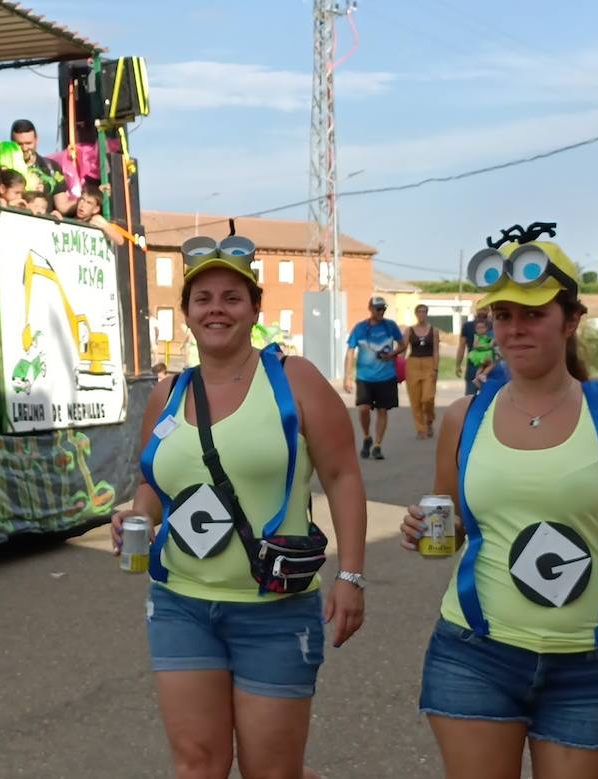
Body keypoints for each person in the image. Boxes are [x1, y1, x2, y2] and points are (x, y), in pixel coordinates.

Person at [399, 226, 598, 779]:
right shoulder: (464, 417)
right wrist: (421, 527)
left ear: (570, 322)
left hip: (593, 666)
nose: (515, 329)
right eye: (502, 316)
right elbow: (447, 529)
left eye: (533, 314)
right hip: (475, 653)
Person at [111, 236, 366, 779]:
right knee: (197, 765)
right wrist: (136, 515)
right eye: (203, 299)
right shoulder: (169, 393)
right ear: (186, 314)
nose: (216, 309)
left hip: (274, 609)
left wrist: (351, 575)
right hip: (181, 605)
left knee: (271, 770)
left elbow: (343, 476)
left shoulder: (293, 381)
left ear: (255, 308)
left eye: (231, 297)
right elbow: (154, 482)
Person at [343, 296, 404, 460]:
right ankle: (366, 436)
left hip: (386, 376)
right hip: (364, 377)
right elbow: (350, 352)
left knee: (382, 410)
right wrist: (347, 377)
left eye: (383, 309)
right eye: (378, 309)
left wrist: (393, 354)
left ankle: (377, 445)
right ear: (370, 309)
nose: (381, 312)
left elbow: (403, 344)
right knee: (363, 409)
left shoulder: (390, 326)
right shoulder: (360, 328)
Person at [10, 118, 71, 215]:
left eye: (28, 143)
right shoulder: (6, 168)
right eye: (19, 144)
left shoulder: (51, 167)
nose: (24, 148)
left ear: (36, 140)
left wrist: (84, 201)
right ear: (11, 142)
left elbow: (63, 206)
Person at [405, 303, 440, 439]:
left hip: (429, 363)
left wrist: (436, 368)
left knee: (428, 398)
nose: (422, 314)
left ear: (427, 313)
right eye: (419, 311)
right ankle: (421, 429)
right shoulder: (409, 330)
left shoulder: (434, 330)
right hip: (413, 364)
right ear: (416, 314)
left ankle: (429, 420)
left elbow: (436, 351)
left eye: (424, 311)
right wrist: (398, 366)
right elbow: (403, 349)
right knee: (415, 399)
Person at [456, 309, 491, 395]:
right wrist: (458, 365)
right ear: (476, 309)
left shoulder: (495, 325)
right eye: (480, 308)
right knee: (470, 397)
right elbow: (461, 347)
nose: (482, 311)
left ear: (489, 310)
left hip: (491, 369)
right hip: (473, 365)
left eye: (485, 308)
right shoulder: (467, 326)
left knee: (490, 398)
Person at [467, 319, 497, 388]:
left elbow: (492, 343)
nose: (481, 330)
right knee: (492, 364)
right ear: (476, 330)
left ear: (486, 329)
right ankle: (483, 374)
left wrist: (492, 342)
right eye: (478, 328)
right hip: (480, 355)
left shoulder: (486, 337)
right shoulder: (477, 336)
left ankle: (476, 378)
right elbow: (475, 345)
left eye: (482, 328)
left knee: (482, 367)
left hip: (484, 354)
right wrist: (486, 346)